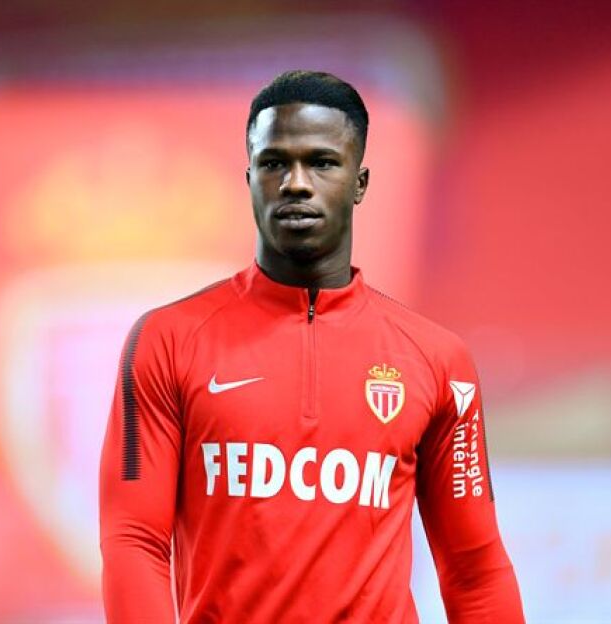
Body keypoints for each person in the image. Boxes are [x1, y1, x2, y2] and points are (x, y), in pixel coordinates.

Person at [100, 70, 524, 623]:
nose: (295, 183)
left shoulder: (438, 361)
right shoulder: (168, 340)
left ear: (360, 182)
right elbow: (134, 539)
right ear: (249, 177)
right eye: (274, 163)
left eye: (322, 163)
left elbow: (475, 568)